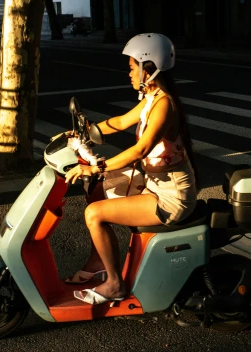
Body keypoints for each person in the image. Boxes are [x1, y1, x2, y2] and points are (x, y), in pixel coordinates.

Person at [63, 33, 199, 305]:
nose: (128, 73)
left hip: (170, 197)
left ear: (147, 68)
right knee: (97, 188)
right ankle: (97, 260)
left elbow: (140, 150)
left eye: (131, 67)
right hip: (156, 182)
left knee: (94, 213)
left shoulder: (164, 105)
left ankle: (114, 285)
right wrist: (87, 131)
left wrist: (97, 167)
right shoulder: (152, 98)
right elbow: (121, 121)